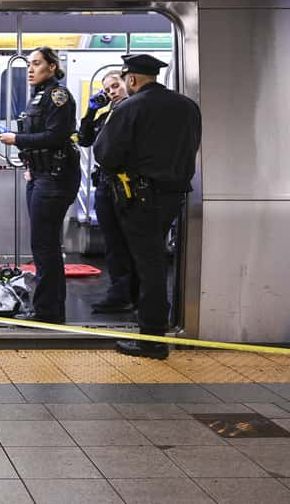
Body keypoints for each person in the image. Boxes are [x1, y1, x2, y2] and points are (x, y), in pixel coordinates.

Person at [94, 54, 201, 359]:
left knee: (148, 264)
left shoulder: (130, 106)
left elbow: (105, 154)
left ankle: (152, 339)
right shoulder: (187, 106)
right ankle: (153, 326)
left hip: (140, 198)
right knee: (154, 260)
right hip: (173, 196)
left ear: (131, 79)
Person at [0, 47, 80, 324]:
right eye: (29, 64)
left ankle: (48, 313)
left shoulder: (58, 96)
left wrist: (15, 140)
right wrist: (31, 165)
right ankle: (47, 307)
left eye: (37, 63)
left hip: (55, 180)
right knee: (42, 245)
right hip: (42, 176)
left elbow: (56, 137)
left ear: (52, 67)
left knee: (46, 247)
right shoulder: (38, 97)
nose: (30, 69)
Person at [78, 70, 138, 314]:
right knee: (112, 242)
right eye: (108, 89)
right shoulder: (106, 116)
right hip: (105, 184)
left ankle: (129, 293)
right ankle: (119, 292)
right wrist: (91, 112)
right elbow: (84, 139)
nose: (113, 92)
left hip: (126, 185)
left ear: (127, 84)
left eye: (116, 86)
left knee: (127, 242)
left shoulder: (134, 111)